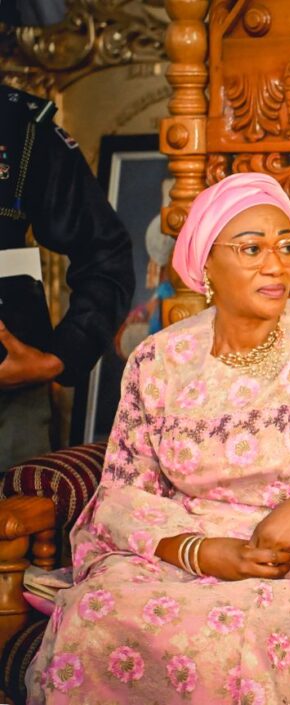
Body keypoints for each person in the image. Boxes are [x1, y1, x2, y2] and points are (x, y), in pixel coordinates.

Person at [26, 172, 290, 703]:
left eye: (287, 246)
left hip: (285, 566)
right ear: (205, 261)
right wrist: (198, 552)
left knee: (232, 636)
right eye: (252, 248)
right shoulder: (159, 360)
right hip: (171, 556)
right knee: (94, 616)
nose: (277, 264)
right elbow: (122, 493)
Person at [0, 85, 134, 466]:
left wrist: (61, 357)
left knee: (18, 518)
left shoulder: (21, 128)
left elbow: (105, 252)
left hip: (9, 408)